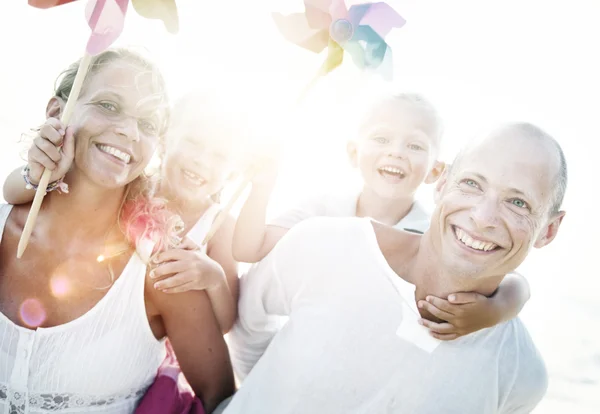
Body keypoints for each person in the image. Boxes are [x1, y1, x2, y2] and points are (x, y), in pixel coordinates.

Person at [224, 122, 566, 413]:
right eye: (472, 184)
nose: (483, 217)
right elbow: (247, 327)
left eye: (517, 202)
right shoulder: (324, 243)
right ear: (442, 184)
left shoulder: (522, 376)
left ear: (548, 230)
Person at [0, 49, 234, 414]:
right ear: (56, 113)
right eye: (109, 105)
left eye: (148, 124)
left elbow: (221, 399)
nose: (128, 130)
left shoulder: (162, 272)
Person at [233, 93, 531, 339]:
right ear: (353, 152)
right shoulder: (322, 211)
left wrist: (496, 310)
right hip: (301, 340)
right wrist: (262, 186)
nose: (396, 153)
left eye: (414, 145)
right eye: (382, 139)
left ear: (436, 171)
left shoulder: (432, 233)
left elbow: (515, 282)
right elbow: (248, 248)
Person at [4, 89, 245, 334]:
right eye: (193, 144)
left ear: (233, 174)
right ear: (164, 142)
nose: (201, 161)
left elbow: (223, 325)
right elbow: (11, 193)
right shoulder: (127, 186)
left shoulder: (220, 226)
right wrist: (36, 177)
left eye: (219, 156)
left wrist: (214, 278)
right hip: (89, 316)